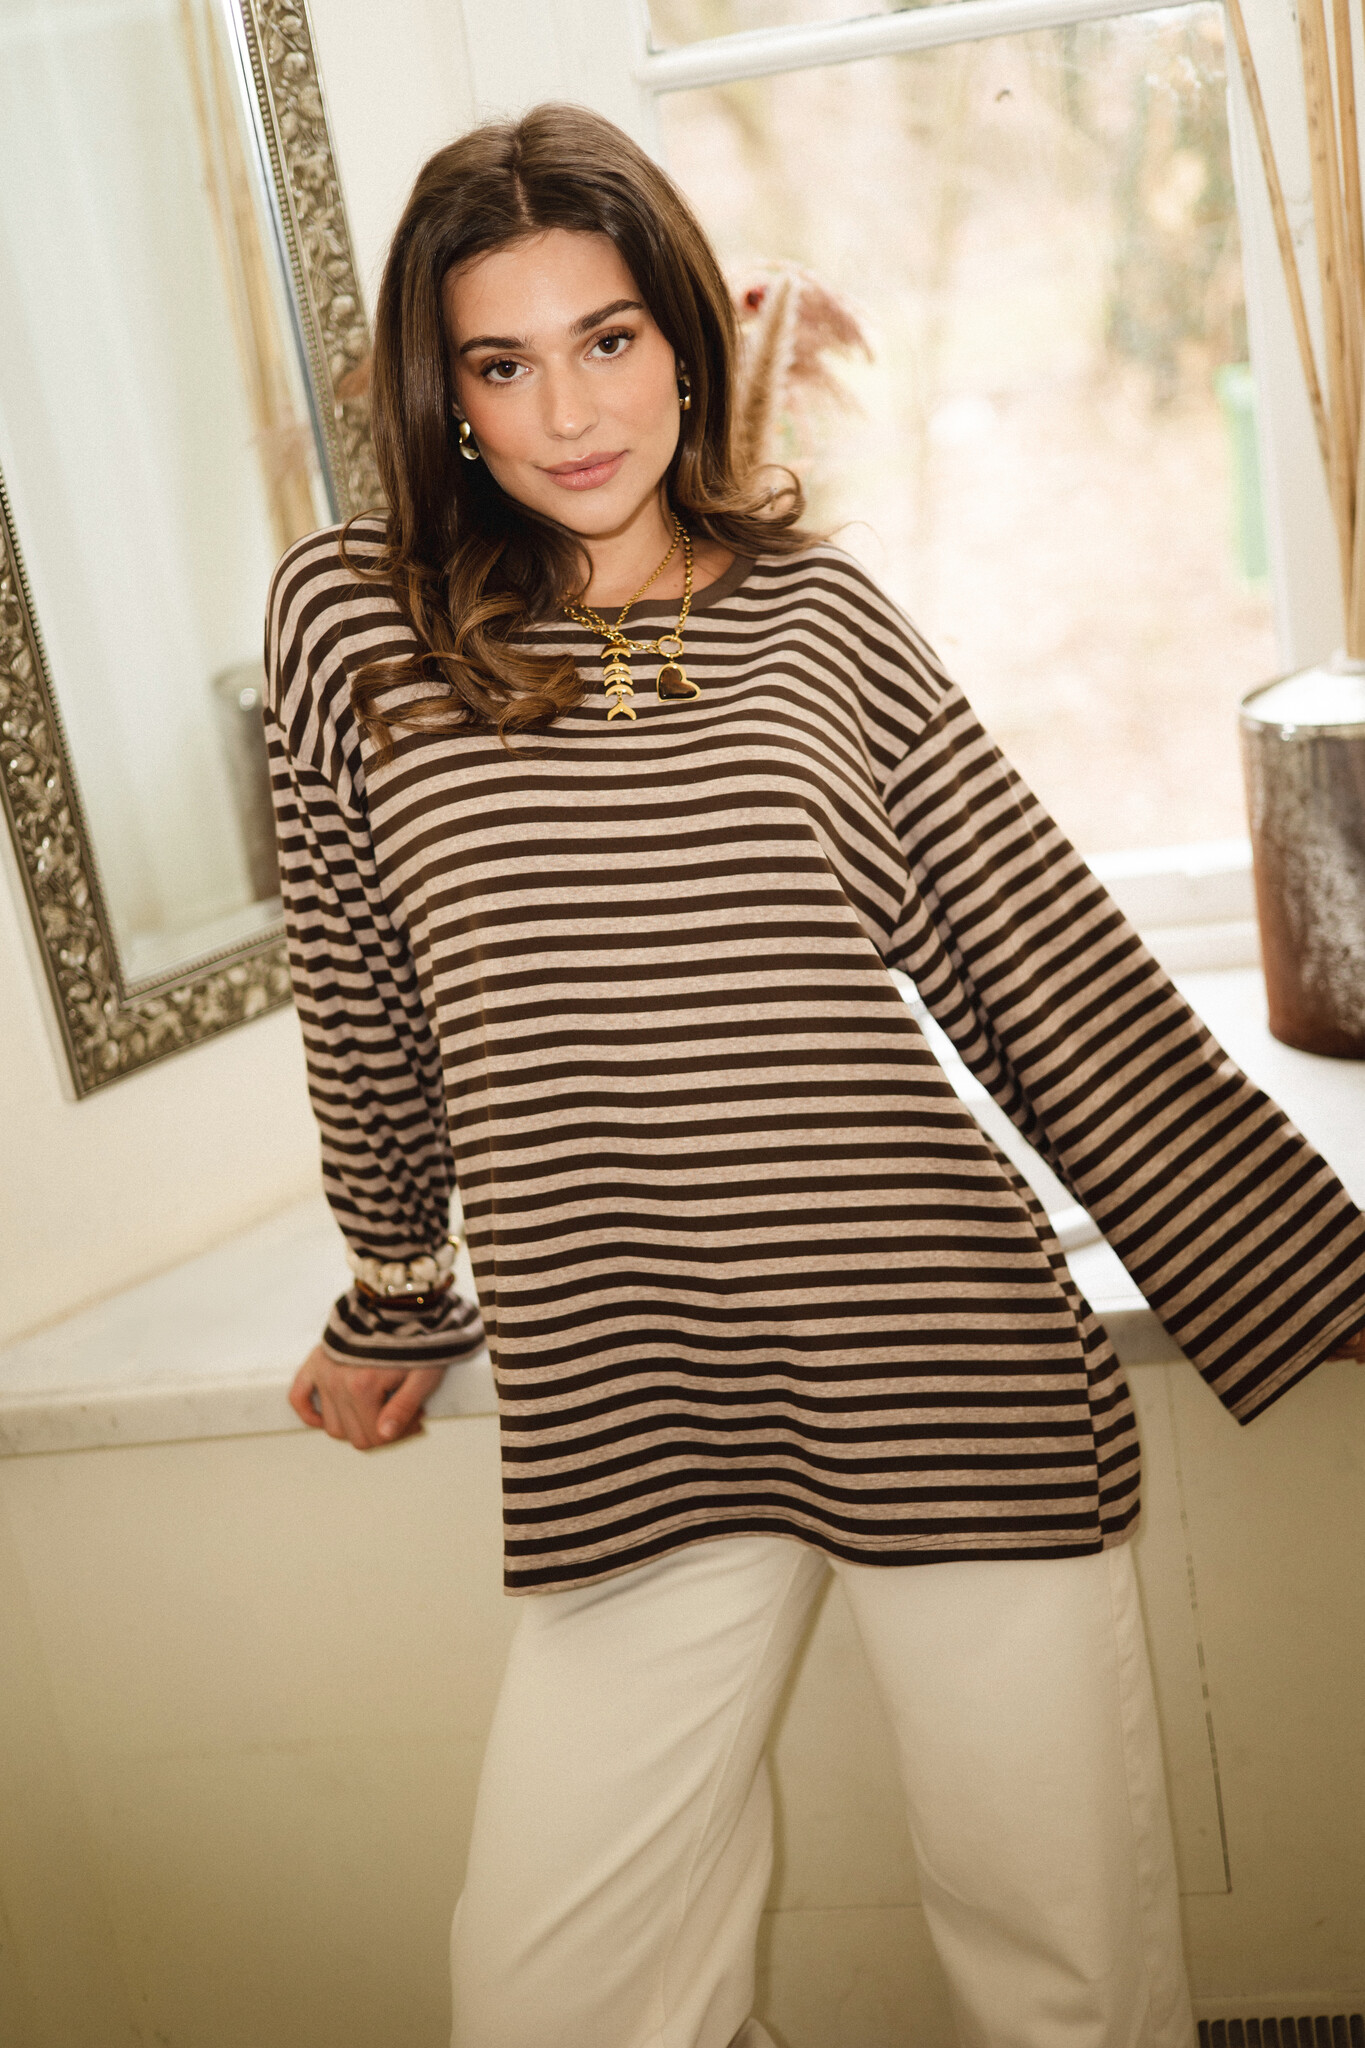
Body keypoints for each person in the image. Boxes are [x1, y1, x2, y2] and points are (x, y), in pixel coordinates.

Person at [265, 103, 1365, 2048]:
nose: (567, 412)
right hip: (629, 1396)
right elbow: (360, 992)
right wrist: (394, 1287)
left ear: (683, 341)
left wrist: (1315, 1265)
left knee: (1060, 1984)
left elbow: (1046, 968)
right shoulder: (355, 626)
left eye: (607, 339)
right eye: (502, 364)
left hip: (938, 1362)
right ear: (446, 397)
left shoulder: (816, 622)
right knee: (551, 2001)